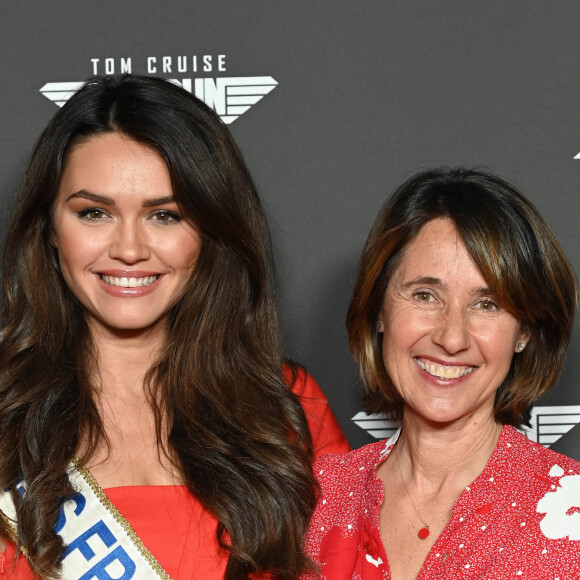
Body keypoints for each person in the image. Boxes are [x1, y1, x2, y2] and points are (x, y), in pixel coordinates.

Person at [0, 74, 348, 580]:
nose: (129, 249)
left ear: (209, 230)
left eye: (164, 216)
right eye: (94, 213)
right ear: (50, 229)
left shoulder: (286, 407)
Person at [304, 167, 580, 579]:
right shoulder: (307, 502)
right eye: (424, 295)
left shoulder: (573, 516)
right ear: (379, 310)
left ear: (523, 331)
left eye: (487, 304)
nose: (452, 338)